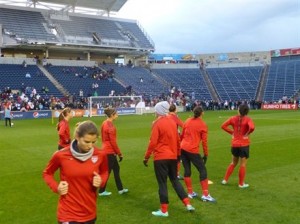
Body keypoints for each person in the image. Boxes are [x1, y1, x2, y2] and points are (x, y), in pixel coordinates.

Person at [43, 121, 109, 224]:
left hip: (89, 212)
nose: (90, 145)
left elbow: (105, 172)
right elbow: (47, 173)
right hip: (68, 214)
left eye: (93, 142)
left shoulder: (100, 155)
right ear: (77, 137)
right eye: (86, 142)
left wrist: (101, 181)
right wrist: (57, 187)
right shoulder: (61, 155)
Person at [143, 101, 195, 217]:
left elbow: (152, 143)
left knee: (162, 183)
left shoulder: (157, 123)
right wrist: (178, 156)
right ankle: (188, 204)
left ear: (159, 111)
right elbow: (177, 140)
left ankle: (164, 210)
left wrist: (146, 157)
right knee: (175, 181)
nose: (155, 112)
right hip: (172, 157)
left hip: (161, 157)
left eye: (156, 110)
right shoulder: (172, 122)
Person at [180, 106, 216, 202]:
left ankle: (190, 193)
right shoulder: (203, 125)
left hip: (183, 148)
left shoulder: (187, 121)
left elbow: (182, 135)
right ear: (202, 113)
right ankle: (205, 194)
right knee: (202, 170)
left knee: (187, 170)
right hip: (192, 150)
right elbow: (204, 142)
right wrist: (206, 154)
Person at [221, 103, 255, 188]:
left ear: (239, 110)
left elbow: (223, 126)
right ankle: (241, 184)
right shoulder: (248, 119)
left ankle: (225, 180)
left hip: (235, 144)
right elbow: (252, 128)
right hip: (244, 144)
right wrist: (247, 134)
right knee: (242, 164)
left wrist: (232, 132)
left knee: (233, 162)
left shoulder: (233, 118)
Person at [98, 107, 128, 196]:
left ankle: (120, 189)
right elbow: (113, 142)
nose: (117, 115)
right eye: (116, 114)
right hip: (109, 152)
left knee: (116, 169)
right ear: (112, 115)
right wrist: (119, 153)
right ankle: (101, 191)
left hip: (106, 149)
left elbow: (103, 137)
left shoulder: (104, 123)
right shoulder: (110, 125)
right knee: (107, 172)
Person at [167, 104, 184, 180]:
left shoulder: (166, 116)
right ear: (175, 110)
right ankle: (176, 174)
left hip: (167, 138)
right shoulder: (175, 117)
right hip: (175, 138)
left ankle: (169, 171)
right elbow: (183, 125)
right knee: (178, 156)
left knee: (169, 155)